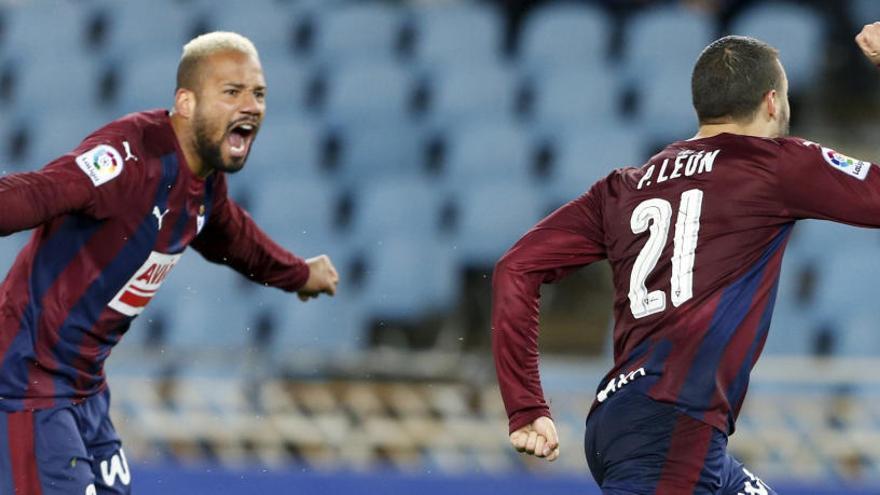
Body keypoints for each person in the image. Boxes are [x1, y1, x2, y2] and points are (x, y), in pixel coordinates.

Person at [492, 25, 880, 494]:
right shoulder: (773, 164)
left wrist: (526, 405)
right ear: (772, 101)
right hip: (671, 425)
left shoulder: (624, 187)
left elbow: (517, 268)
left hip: (628, 419)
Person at [0, 32, 339, 494]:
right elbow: (39, 193)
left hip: (84, 391)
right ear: (185, 102)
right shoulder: (131, 156)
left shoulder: (204, 182)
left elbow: (234, 238)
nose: (251, 106)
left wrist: (299, 273)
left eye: (258, 93)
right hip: (25, 385)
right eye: (232, 91)